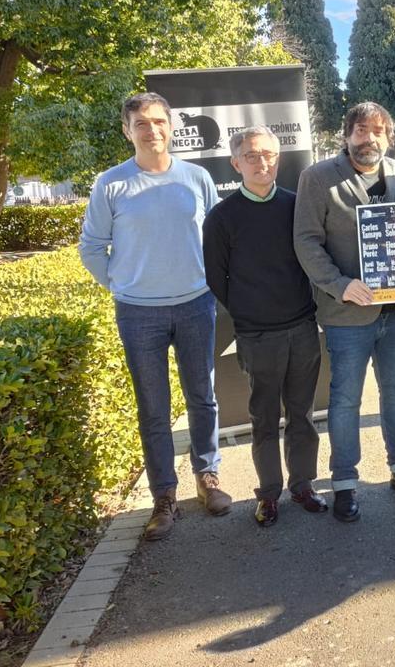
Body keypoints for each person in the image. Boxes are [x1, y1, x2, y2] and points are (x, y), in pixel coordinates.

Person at [79, 91, 231, 541]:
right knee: (153, 407)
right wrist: (124, 285)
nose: (152, 130)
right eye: (141, 124)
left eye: (158, 122)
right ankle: (164, 495)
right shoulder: (111, 184)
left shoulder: (197, 178)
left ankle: (209, 478)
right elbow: (91, 247)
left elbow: (217, 236)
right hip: (138, 313)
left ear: (171, 125)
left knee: (202, 396)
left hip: (195, 305)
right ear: (128, 131)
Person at [293, 102, 395, 523]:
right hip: (347, 312)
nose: (369, 137)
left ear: (389, 136)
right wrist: (340, 285)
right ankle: (345, 482)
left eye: (378, 130)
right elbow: (306, 242)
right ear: (346, 133)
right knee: (346, 399)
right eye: (361, 129)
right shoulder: (317, 178)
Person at [202, 127, 327, 527]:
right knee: (264, 419)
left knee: (303, 416)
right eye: (252, 156)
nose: (263, 163)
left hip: (302, 329)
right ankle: (269, 494)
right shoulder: (222, 217)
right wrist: (250, 313)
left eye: (270, 155)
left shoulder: (296, 207)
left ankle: (303, 485)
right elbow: (216, 279)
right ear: (236, 163)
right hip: (257, 336)